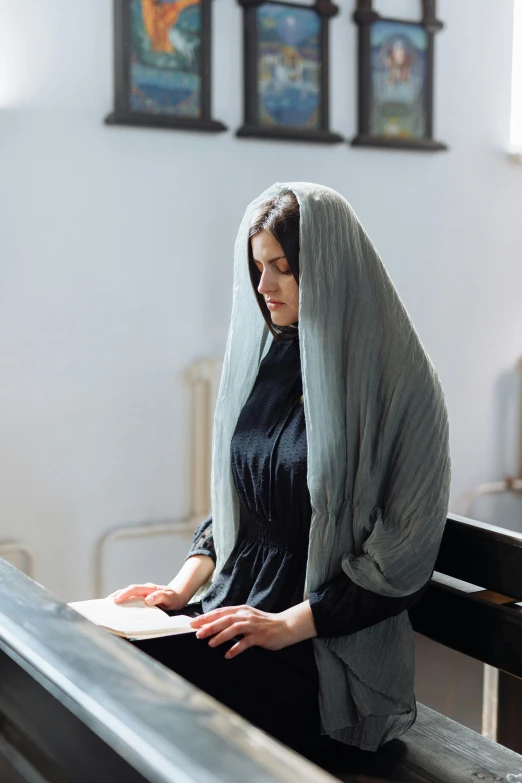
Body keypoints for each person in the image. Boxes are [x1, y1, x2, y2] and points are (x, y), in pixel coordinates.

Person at [111, 183, 451, 757]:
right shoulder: (281, 356)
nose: (264, 287)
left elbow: (402, 561)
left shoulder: (404, 390)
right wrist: (178, 589)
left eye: (283, 269)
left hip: (322, 651)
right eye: (258, 268)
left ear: (329, 270)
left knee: (146, 690)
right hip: (237, 611)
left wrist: (285, 626)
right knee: (110, 653)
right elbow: (240, 504)